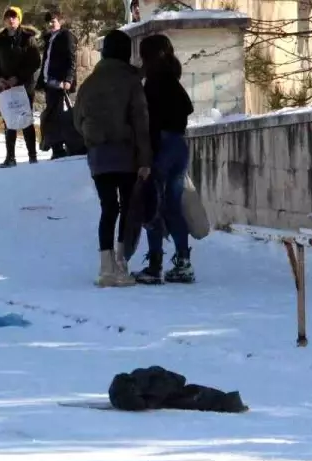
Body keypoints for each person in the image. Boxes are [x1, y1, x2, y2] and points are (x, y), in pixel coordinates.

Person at [73, 29, 151, 288]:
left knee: (108, 208)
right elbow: (141, 122)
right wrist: (145, 160)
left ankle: (105, 267)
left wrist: (91, 137)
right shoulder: (131, 82)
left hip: (99, 156)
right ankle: (121, 263)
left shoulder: (90, 83)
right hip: (126, 155)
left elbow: (77, 120)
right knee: (127, 209)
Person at [134, 33, 195, 285]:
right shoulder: (174, 80)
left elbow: (149, 121)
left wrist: (146, 156)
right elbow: (187, 108)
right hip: (180, 146)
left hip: (162, 146)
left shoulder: (153, 84)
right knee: (173, 206)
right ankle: (183, 262)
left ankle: (155, 264)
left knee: (153, 206)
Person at [0, 6, 42, 167]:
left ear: (19, 20)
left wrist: (17, 77)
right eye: (8, 17)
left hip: (24, 86)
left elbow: (35, 62)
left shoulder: (28, 38)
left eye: (14, 17)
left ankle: (32, 156)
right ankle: (10, 157)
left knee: (25, 120)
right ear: (4, 20)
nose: (11, 20)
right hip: (6, 88)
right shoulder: (0, 40)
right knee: (9, 122)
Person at [37, 7, 78, 160]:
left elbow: (71, 59)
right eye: (48, 22)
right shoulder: (49, 38)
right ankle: (55, 146)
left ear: (60, 21)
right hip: (50, 83)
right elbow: (46, 61)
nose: (50, 24)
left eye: (53, 21)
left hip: (60, 83)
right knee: (52, 115)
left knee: (61, 115)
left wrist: (68, 79)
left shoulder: (65, 36)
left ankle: (64, 145)